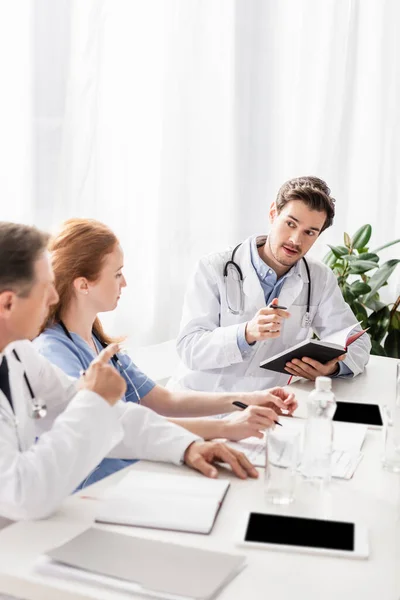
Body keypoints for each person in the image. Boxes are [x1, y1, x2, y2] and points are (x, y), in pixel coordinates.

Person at [0, 222, 269, 521]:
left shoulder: (17, 355)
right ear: (8, 303)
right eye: (44, 288)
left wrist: (186, 446)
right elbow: (22, 494)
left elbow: (110, 415)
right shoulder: (45, 347)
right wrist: (94, 400)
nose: (53, 297)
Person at [170, 176, 371, 393]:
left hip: (267, 409)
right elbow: (190, 347)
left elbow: (358, 343)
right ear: (273, 213)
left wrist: (331, 368)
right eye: (291, 223)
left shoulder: (319, 278)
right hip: (201, 404)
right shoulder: (213, 267)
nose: (295, 240)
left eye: (309, 232)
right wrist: (246, 333)